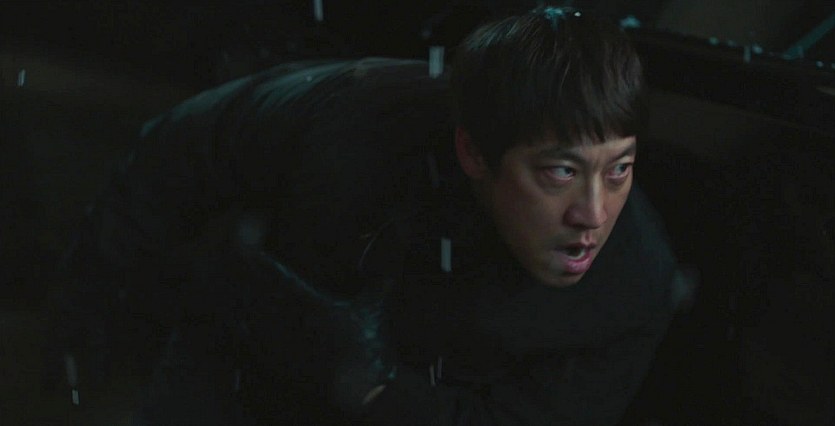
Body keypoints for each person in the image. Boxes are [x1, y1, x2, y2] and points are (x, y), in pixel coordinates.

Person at [56, 6, 679, 425]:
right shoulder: (357, 112)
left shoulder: (633, 287)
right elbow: (178, 151)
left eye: (619, 169)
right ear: (473, 152)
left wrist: (371, 389)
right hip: (244, 346)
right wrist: (95, 305)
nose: (594, 213)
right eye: (561, 172)